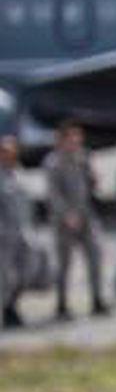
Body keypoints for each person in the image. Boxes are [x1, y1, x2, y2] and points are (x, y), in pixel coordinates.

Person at [44, 122, 109, 320]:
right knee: (64, 264)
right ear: (62, 140)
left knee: (95, 257)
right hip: (64, 220)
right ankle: (61, 304)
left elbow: (90, 186)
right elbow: (53, 194)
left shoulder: (83, 158)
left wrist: (94, 179)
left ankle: (97, 299)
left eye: (77, 137)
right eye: (71, 138)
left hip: (86, 216)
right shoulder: (54, 162)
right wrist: (67, 214)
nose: (75, 141)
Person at [1, 134, 32, 328]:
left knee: (24, 273)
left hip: (22, 234)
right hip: (3, 237)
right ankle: (7, 310)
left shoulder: (19, 174)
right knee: (6, 276)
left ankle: (13, 304)